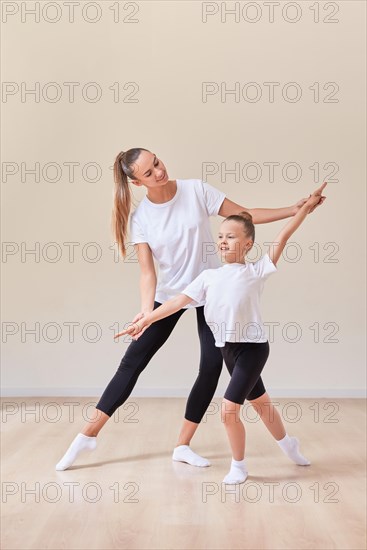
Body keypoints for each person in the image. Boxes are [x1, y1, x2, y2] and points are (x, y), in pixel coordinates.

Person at [55, 148, 326, 471]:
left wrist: (295, 209)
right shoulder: (142, 219)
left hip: (211, 289)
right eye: (148, 172)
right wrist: (146, 311)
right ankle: (87, 434)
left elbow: (246, 215)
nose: (158, 171)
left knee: (211, 367)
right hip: (174, 294)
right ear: (137, 182)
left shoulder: (196, 190)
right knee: (132, 362)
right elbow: (147, 272)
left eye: (156, 162)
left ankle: (182, 445)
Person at [117, 184, 327, 484]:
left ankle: (239, 466)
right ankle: (288, 444)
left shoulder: (257, 271)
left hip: (253, 350)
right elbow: (176, 302)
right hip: (227, 350)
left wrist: (303, 209)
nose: (223, 242)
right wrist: (145, 320)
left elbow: (282, 237)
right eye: (220, 237)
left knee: (229, 411)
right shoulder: (208, 277)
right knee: (262, 404)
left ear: (248, 243)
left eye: (231, 237)